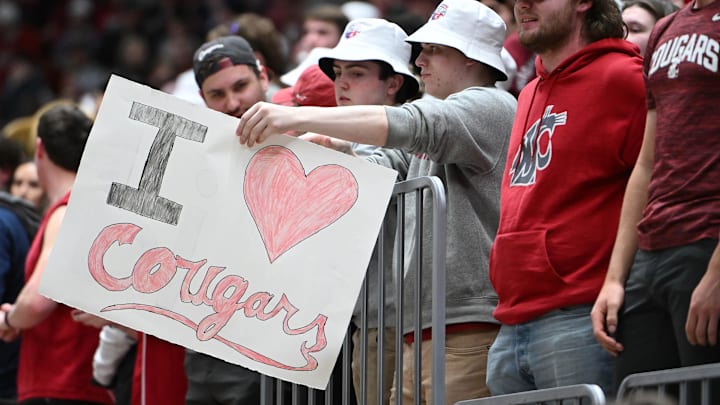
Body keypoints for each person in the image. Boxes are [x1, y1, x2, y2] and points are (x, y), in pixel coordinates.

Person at [237, 1, 517, 403]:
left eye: (434, 50)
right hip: (420, 324)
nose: (419, 61)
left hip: (463, 324)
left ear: (470, 57)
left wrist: (298, 118)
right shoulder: (443, 122)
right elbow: (382, 166)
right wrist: (339, 148)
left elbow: (414, 124)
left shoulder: (488, 106)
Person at [485, 0, 647, 396]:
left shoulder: (624, 77)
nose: (522, 4)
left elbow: (655, 181)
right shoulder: (529, 92)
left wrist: (616, 282)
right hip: (510, 318)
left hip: (581, 314)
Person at [591, 0, 720, 394]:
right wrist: (614, 279)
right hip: (649, 255)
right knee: (640, 397)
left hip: (707, 242)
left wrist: (717, 272)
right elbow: (646, 163)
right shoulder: (667, 27)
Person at [313, 17, 420, 405]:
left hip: (404, 321)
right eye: (339, 73)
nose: (341, 83)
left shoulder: (416, 136)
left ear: (394, 83)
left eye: (357, 73)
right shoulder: (338, 141)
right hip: (366, 320)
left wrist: (337, 150)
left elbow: (379, 169)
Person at [0, 103, 114, 405]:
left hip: (61, 381)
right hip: (83, 382)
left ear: (40, 148)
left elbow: (39, 299)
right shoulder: (92, 206)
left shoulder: (66, 211)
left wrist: (11, 319)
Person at [185, 35, 269, 405]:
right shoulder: (195, 163)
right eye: (217, 95)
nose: (233, 104)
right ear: (203, 101)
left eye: (241, 86)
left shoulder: (313, 137)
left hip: (273, 348)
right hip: (203, 346)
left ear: (262, 75)